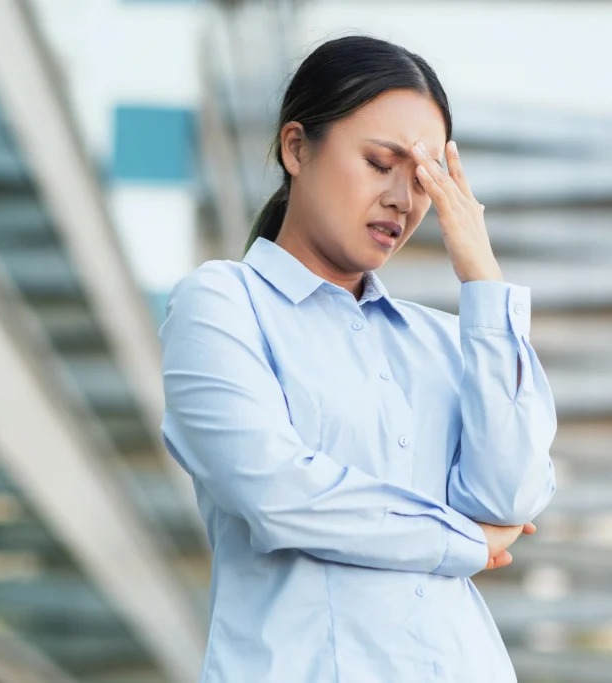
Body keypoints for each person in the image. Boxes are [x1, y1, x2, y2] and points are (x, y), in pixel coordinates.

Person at [159, 34, 557, 683]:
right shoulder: (221, 304)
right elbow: (278, 494)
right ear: (296, 148)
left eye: (426, 177)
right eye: (380, 162)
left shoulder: (445, 340)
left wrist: (483, 281)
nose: (405, 198)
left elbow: (510, 492)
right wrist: (462, 541)